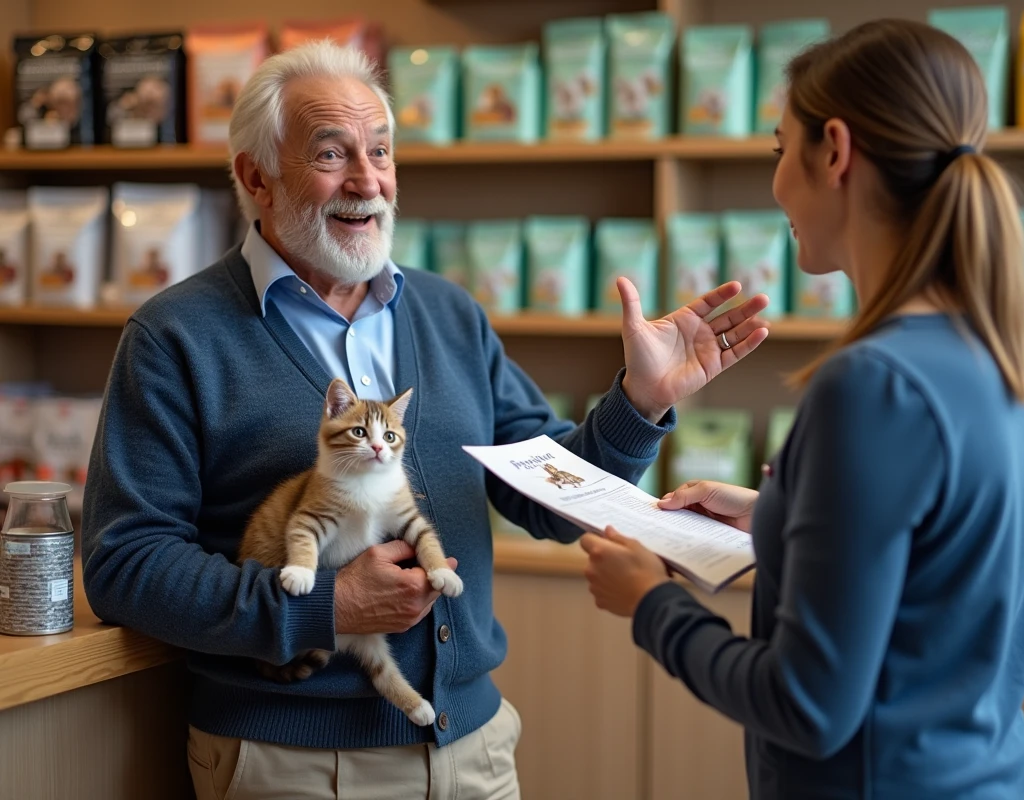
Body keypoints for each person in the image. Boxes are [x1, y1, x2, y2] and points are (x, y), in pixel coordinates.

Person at [80, 41, 770, 800]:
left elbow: (547, 498)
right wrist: (323, 607)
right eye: (332, 153)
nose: (367, 179)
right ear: (256, 177)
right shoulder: (176, 335)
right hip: (294, 765)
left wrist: (639, 404)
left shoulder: (448, 313)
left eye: (381, 150)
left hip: (474, 748)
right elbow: (126, 564)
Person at [581, 18, 1024, 800]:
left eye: (780, 151)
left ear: (834, 150)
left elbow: (806, 706)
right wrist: (784, 515)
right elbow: (936, 574)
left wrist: (651, 603)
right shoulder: (1013, 359)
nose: (777, 186)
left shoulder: (873, 385)